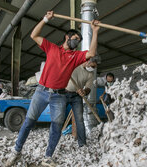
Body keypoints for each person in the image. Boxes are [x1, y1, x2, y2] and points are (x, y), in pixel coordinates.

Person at [5, 10, 100, 167]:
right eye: (75, 39)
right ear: (67, 37)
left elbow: (91, 52)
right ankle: (16, 151)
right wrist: (45, 19)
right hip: (41, 91)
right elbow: (34, 35)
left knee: (56, 127)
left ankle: (47, 157)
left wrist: (95, 31)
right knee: (28, 122)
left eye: (79, 41)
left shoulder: (76, 57)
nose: (76, 42)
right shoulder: (52, 48)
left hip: (59, 96)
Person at [65, 58, 97, 147]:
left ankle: (82, 144)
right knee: (58, 118)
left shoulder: (91, 73)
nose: (93, 68)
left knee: (79, 120)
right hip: (64, 93)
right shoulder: (75, 65)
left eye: (95, 67)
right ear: (87, 62)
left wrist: (84, 92)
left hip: (77, 96)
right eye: (92, 66)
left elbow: (88, 88)